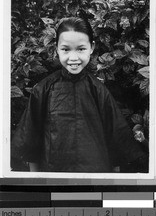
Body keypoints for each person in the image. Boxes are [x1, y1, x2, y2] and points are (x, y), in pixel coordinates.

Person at [11, 17, 148, 173]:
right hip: (53, 175)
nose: (73, 58)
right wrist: (36, 182)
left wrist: (111, 183)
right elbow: (30, 142)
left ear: (91, 47)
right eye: (66, 49)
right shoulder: (43, 89)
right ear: (56, 49)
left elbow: (116, 142)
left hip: (95, 175)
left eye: (81, 49)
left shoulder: (99, 90)